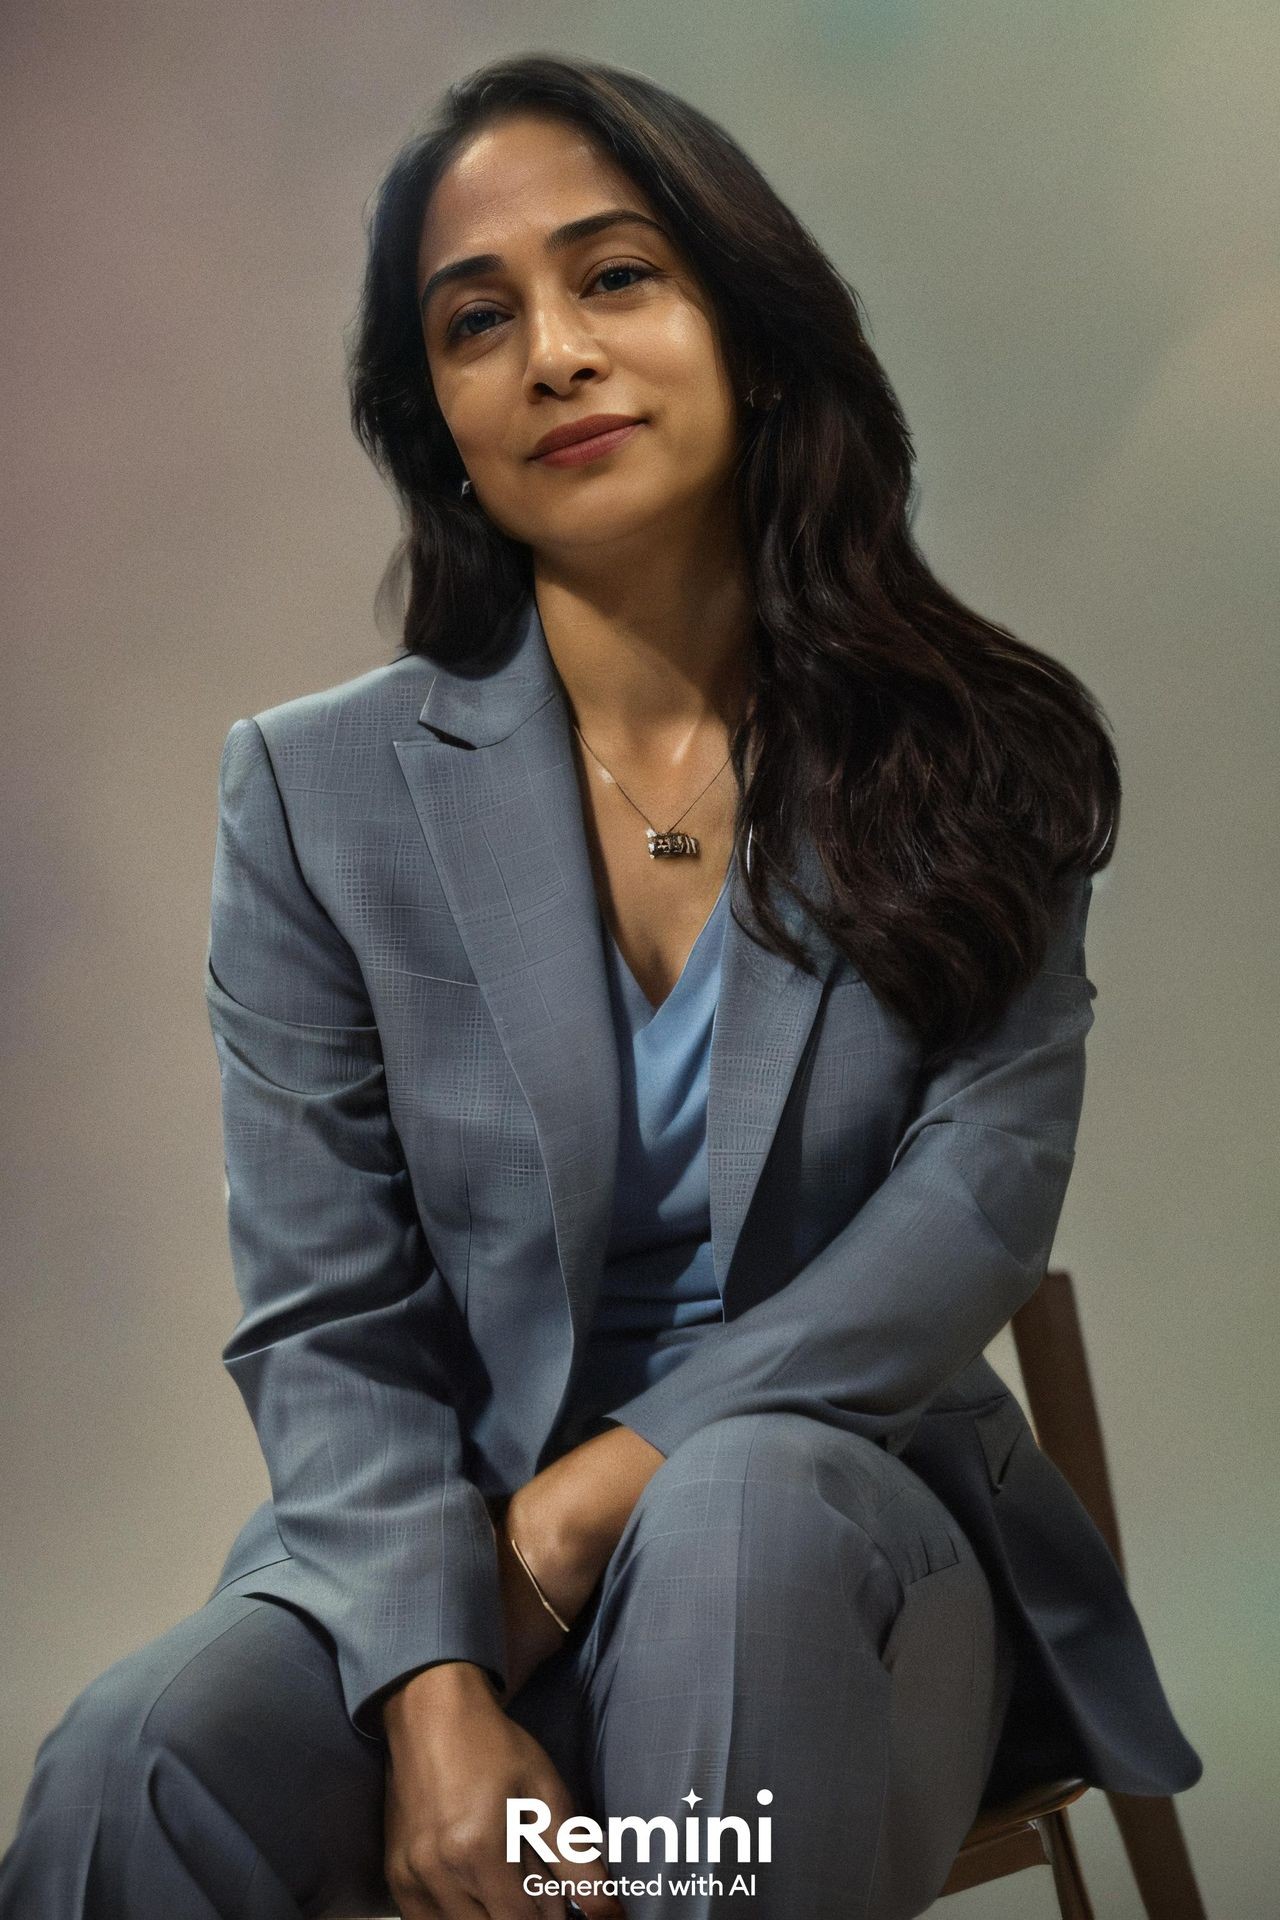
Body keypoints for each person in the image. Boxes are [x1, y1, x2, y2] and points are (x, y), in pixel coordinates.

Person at [0, 51, 1202, 1920]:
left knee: (733, 1524)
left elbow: (969, 1216)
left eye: (615, 276)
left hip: (840, 1527)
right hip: (437, 1554)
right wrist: (437, 1692)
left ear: (759, 334)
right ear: (442, 424)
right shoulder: (314, 797)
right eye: (478, 321)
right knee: (132, 1770)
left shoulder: (982, 752)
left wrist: (591, 1499)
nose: (550, 350)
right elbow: (329, 1314)